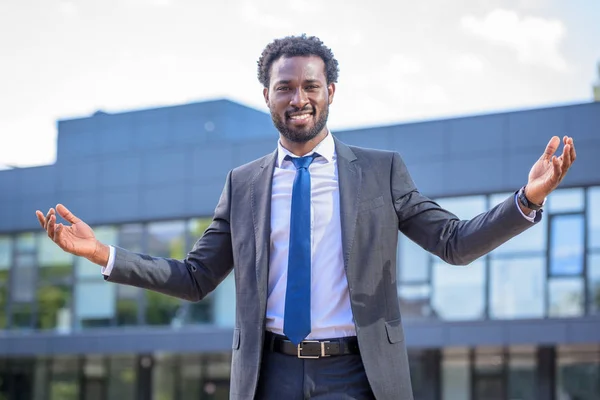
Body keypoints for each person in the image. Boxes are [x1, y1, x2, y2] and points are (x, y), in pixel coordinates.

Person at [36, 34, 576, 400]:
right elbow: (196, 278)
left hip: (355, 373)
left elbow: (455, 243)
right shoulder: (243, 184)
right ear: (267, 96)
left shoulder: (381, 172)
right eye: (285, 87)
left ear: (330, 93)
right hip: (267, 374)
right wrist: (103, 254)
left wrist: (525, 200)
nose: (298, 98)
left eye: (310, 86)